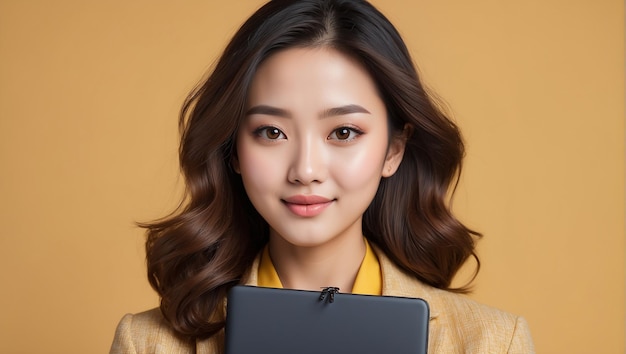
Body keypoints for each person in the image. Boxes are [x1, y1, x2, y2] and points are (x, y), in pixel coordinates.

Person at [110, 0, 535, 352]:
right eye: (271, 132)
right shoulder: (147, 343)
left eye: (344, 132)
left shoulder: (492, 342)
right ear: (233, 149)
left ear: (394, 150)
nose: (306, 171)